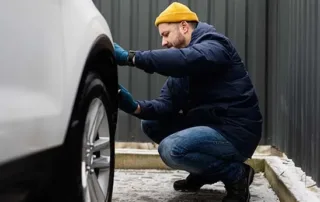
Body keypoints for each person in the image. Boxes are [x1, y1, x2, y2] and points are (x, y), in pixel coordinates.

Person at [113, 2, 262, 202]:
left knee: (171, 148)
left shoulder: (215, 45)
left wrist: (131, 58)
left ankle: (236, 174)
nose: (164, 43)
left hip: (235, 131)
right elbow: (166, 105)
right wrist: (134, 107)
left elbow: (187, 59)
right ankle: (205, 172)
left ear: (184, 26)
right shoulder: (182, 67)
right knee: (151, 124)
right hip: (207, 126)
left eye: (165, 34)